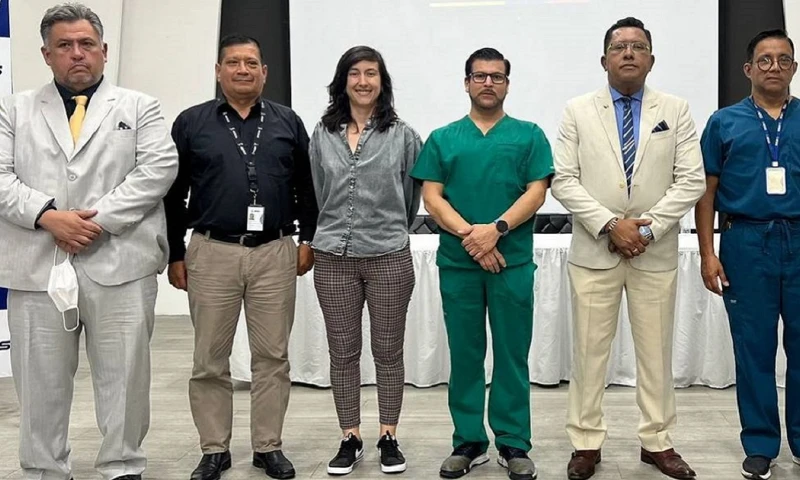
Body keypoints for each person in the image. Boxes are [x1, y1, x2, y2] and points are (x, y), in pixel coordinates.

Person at [0, 3, 179, 479]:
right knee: (38, 382)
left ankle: (122, 466)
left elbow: (158, 169)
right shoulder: (13, 109)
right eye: (64, 45)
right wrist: (48, 216)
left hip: (120, 261)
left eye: (86, 44)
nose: (77, 53)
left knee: (125, 379)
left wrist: (92, 223)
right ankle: (44, 469)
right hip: (37, 266)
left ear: (104, 50)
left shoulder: (140, 106)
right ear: (46, 54)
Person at [550, 16, 706, 480]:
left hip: (653, 253)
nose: (629, 53)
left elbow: (691, 180)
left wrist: (645, 231)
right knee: (588, 354)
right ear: (604, 60)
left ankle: (657, 442)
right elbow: (564, 180)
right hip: (594, 252)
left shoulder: (675, 109)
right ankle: (585, 442)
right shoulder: (577, 110)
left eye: (638, 46)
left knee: (656, 353)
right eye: (619, 47)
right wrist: (610, 225)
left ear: (651, 59)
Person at [163, 34, 318, 480]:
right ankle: (214, 449)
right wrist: (176, 252)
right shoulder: (192, 123)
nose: (243, 70)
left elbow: (306, 186)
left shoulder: (288, 121)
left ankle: (268, 446)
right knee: (209, 359)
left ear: (264, 73)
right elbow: (173, 194)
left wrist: (307, 239)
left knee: (272, 356)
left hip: (275, 251)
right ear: (219, 71)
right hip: (212, 251)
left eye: (252, 62)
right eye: (233, 62)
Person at [410, 47, 552, 480]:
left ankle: (513, 442)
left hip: (512, 263)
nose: (488, 82)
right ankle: (468, 441)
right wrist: (474, 238)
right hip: (460, 265)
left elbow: (536, 192)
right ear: (467, 83)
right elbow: (432, 197)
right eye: (480, 76)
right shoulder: (443, 138)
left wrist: (497, 229)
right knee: (466, 355)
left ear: (507, 84)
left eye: (497, 76)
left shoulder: (529, 135)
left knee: (512, 355)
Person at [308, 45, 421, 476]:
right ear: (343, 81)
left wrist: (389, 229)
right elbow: (319, 190)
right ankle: (350, 437)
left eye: (371, 73)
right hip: (333, 256)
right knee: (343, 352)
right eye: (354, 73)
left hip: (388, 254)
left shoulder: (404, 135)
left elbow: (410, 196)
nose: (362, 81)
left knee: (388, 351)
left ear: (382, 82)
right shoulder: (323, 133)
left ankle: (388, 435)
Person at [697, 28, 800, 480]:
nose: (774, 67)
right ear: (748, 69)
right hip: (745, 241)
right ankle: (759, 444)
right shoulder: (724, 122)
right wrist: (708, 252)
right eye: (765, 60)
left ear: (794, 68)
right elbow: (706, 192)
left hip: (798, 238)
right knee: (753, 349)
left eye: (783, 59)